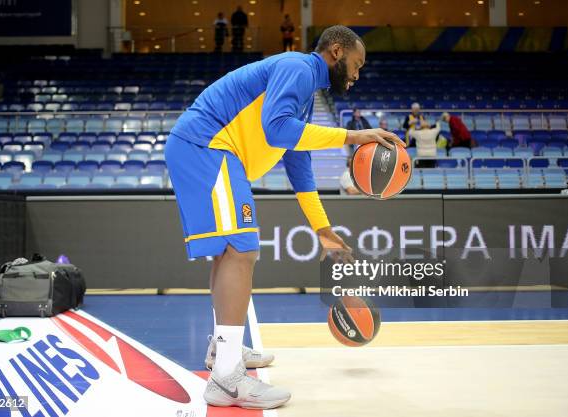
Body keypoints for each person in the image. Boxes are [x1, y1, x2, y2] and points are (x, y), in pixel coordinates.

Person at [165, 25, 403, 409]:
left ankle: (222, 352)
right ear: (337, 51)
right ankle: (226, 380)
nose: (358, 75)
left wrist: (323, 229)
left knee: (230, 253)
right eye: (357, 64)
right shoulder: (298, 67)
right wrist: (352, 137)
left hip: (206, 150)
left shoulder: (304, 91)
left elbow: (299, 164)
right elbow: (276, 131)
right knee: (242, 252)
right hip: (206, 147)